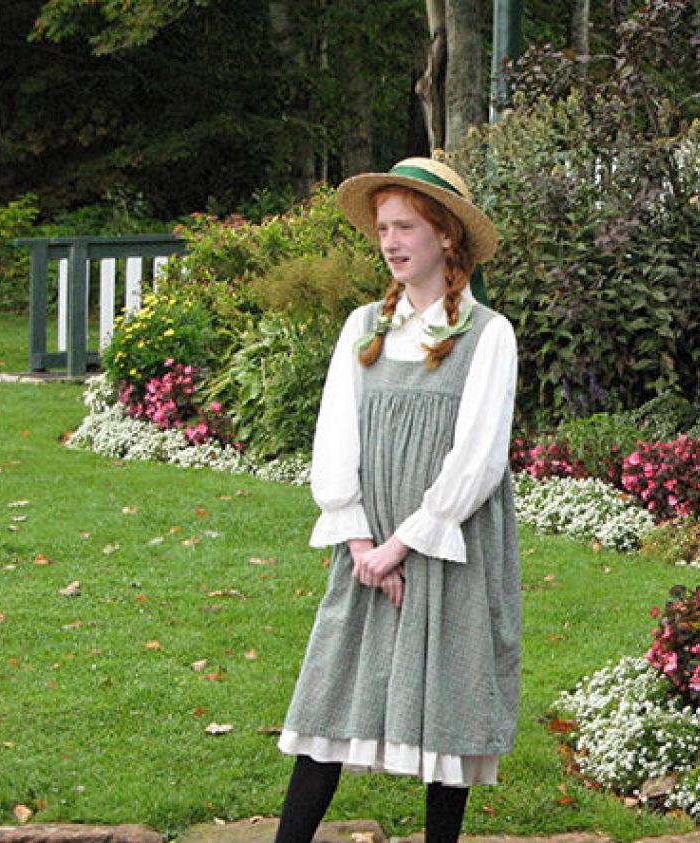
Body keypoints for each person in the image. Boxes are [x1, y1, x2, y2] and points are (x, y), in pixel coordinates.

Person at [272, 157, 520, 843]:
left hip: (445, 544)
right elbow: (334, 437)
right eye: (383, 227)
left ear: (446, 237)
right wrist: (360, 543)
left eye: (406, 225)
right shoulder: (362, 328)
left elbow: (478, 458)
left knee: (447, 701)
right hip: (366, 550)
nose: (390, 240)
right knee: (328, 698)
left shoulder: (487, 334)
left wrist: (403, 542)